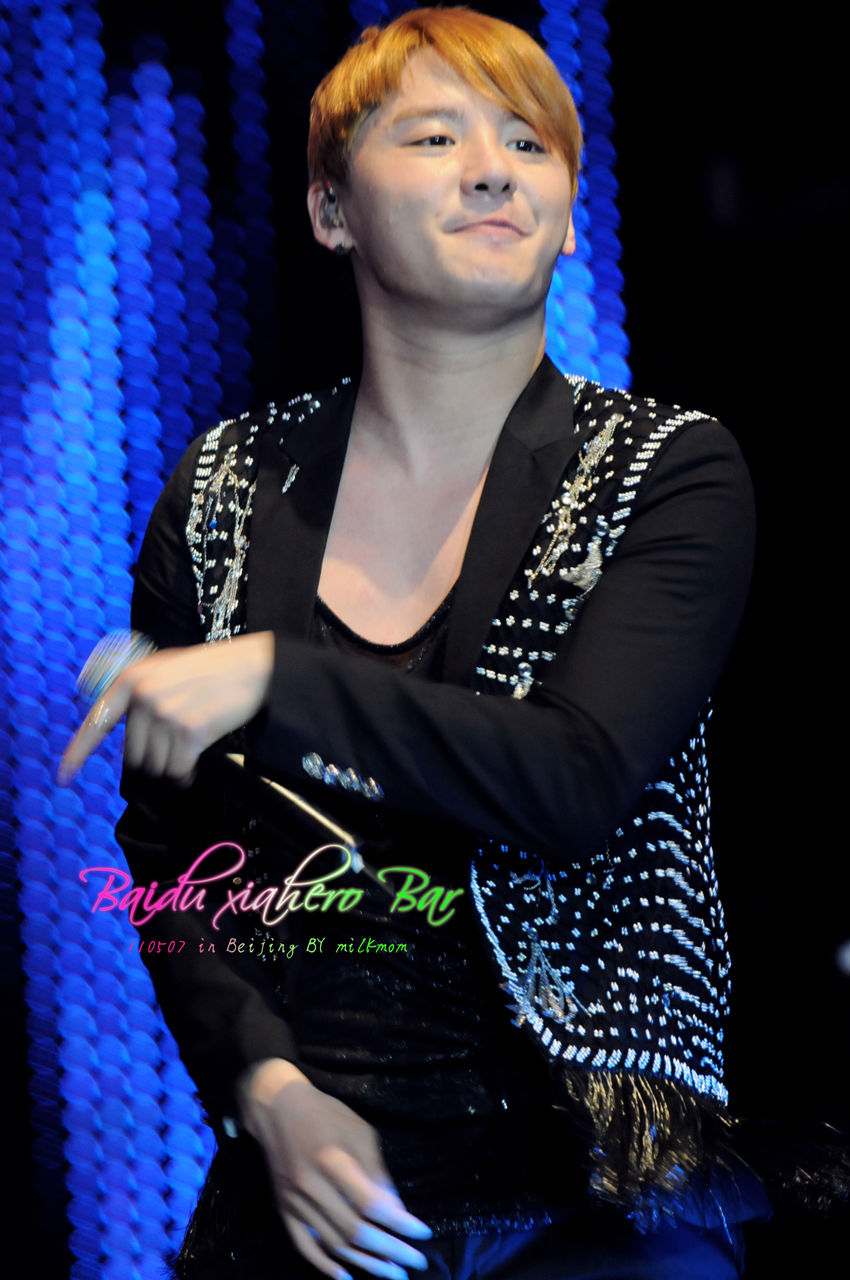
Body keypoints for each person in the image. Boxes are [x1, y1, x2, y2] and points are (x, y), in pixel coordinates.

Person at [60, 8, 766, 1278]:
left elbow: (572, 778)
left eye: (528, 144)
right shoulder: (223, 486)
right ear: (331, 210)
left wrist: (276, 679)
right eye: (435, 137)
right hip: (317, 1202)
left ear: (566, 214)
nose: (493, 170)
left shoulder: (665, 470)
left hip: (590, 1201)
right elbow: (170, 860)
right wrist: (266, 1086)